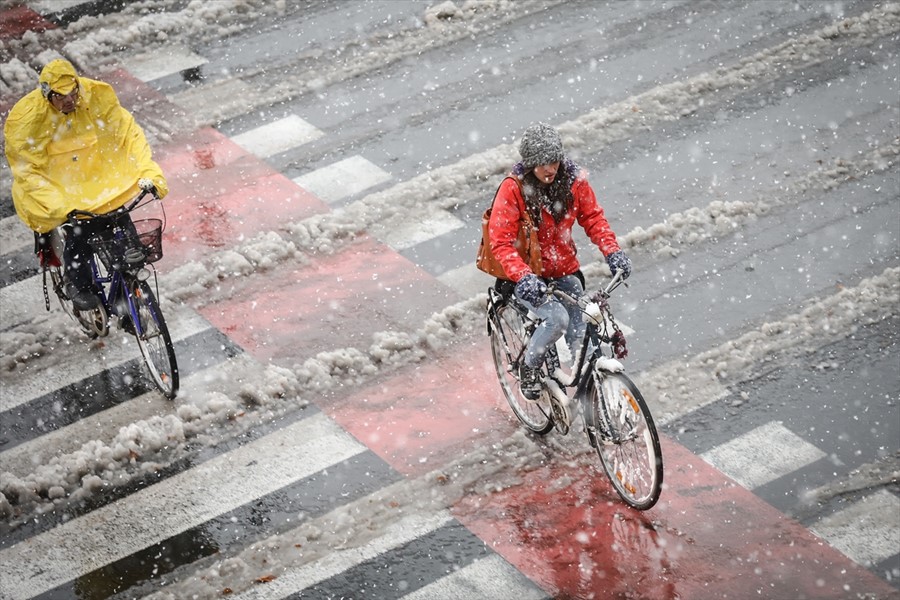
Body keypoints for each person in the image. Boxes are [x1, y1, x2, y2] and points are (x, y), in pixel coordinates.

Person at [4, 58, 168, 310]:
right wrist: (58, 205)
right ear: (48, 95)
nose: (69, 100)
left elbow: (127, 133)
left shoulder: (96, 98)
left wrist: (148, 172)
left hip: (98, 179)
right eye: (61, 96)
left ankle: (127, 298)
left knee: (122, 225)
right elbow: (28, 171)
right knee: (81, 233)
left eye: (73, 92)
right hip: (59, 186)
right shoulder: (28, 119)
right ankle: (77, 283)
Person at [488, 122, 632, 399]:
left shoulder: (574, 182)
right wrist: (523, 276)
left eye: (554, 161)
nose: (550, 169)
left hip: (564, 270)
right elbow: (501, 242)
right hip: (527, 277)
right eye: (542, 164)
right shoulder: (514, 189)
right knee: (556, 320)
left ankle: (597, 399)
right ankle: (529, 369)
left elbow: (593, 219)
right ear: (530, 164)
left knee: (583, 338)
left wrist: (612, 252)